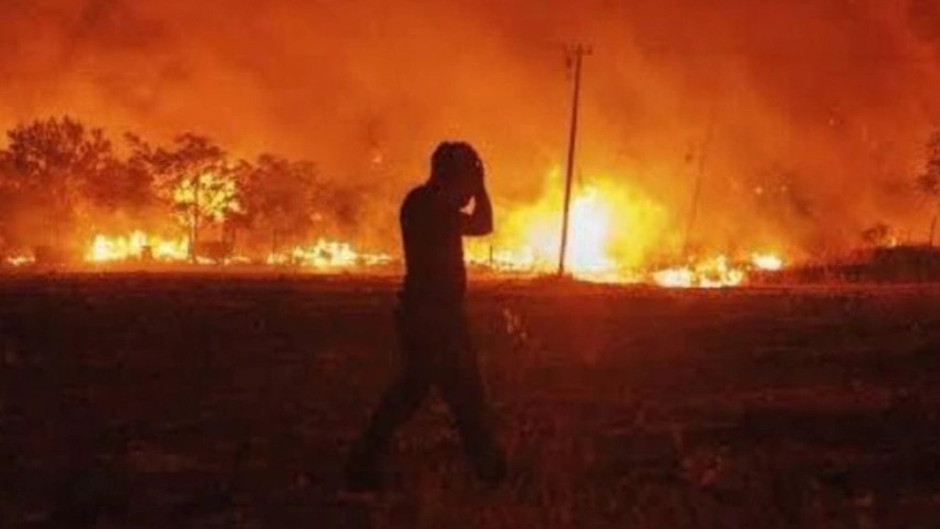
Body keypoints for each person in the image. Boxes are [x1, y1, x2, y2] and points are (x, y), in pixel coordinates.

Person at [345, 141, 507, 492]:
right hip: (428, 317)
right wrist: (479, 186)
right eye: (465, 180)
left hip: (441, 316)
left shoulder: (431, 204)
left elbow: (482, 224)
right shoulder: (425, 204)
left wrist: (477, 186)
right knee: (427, 392)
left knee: (456, 392)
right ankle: (362, 462)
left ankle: (488, 467)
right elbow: (480, 222)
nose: (468, 192)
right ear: (449, 176)